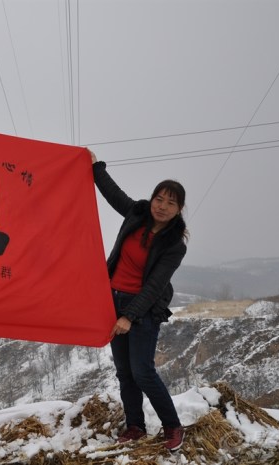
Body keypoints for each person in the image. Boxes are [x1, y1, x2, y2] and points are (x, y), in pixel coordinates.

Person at [90, 150, 187, 452]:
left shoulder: (174, 244)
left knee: (142, 371)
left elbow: (155, 286)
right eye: (160, 199)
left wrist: (129, 315)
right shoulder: (136, 213)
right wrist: (95, 166)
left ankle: (172, 426)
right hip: (112, 300)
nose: (162, 206)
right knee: (124, 372)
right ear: (152, 198)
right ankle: (135, 427)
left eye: (171, 203)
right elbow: (111, 193)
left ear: (179, 209)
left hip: (143, 310)